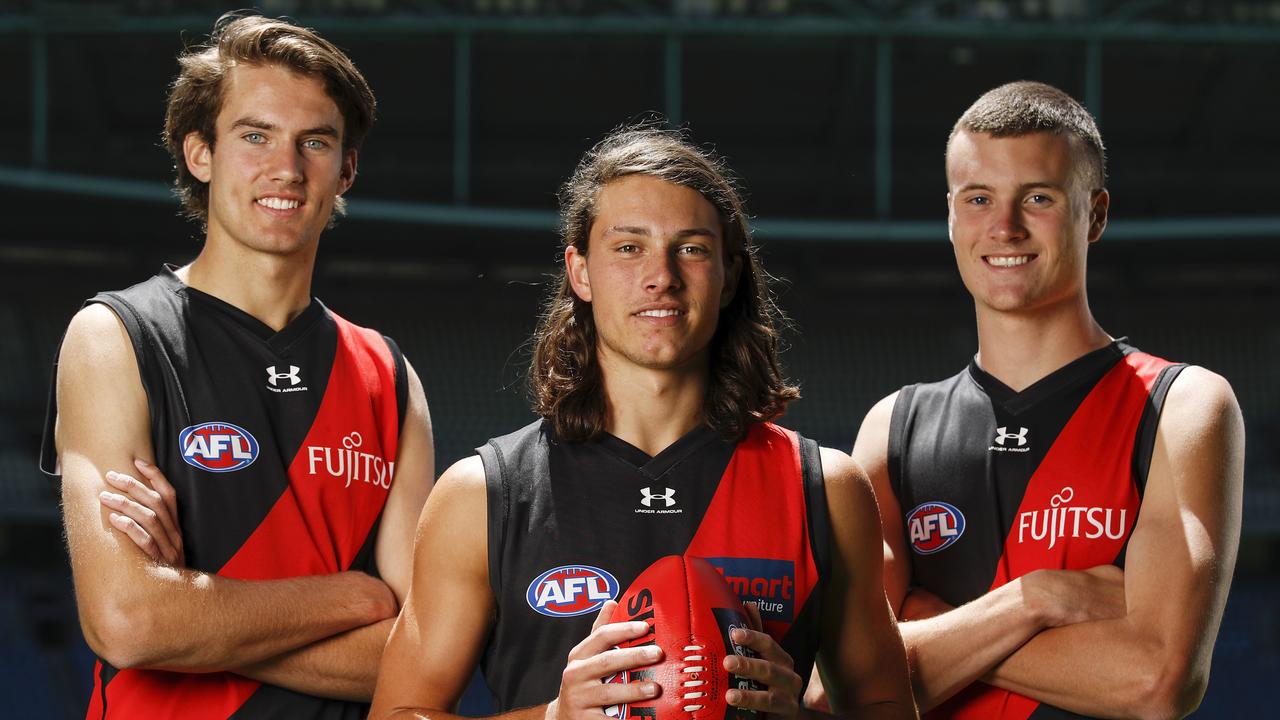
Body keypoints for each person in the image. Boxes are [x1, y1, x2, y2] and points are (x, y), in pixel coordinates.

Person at [367, 126, 916, 719]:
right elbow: (396, 714)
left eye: (692, 248)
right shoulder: (482, 495)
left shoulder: (825, 490)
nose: (662, 276)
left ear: (729, 276)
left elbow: (888, 707)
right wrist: (552, 719)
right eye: (629, 247)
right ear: (580, 271)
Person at [808, 81, 1244, 719]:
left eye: (1037, 198)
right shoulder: (893, 427)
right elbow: (835, 690)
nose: (1004, 227)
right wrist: (1037, 599)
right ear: (952, 216)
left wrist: (927, 628)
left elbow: (1156, 680)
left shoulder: (1180, 407)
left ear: (1093, 214)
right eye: (979, 198)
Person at [40, 13, 433, 719]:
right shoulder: (115, 337)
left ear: (346, 168)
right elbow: (126, 623)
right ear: (201, 154)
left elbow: (427, 658)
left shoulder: (388, 376)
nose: (286, 168)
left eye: (315, 142)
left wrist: (189, 611)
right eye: (255, 136)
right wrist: (353, 596)